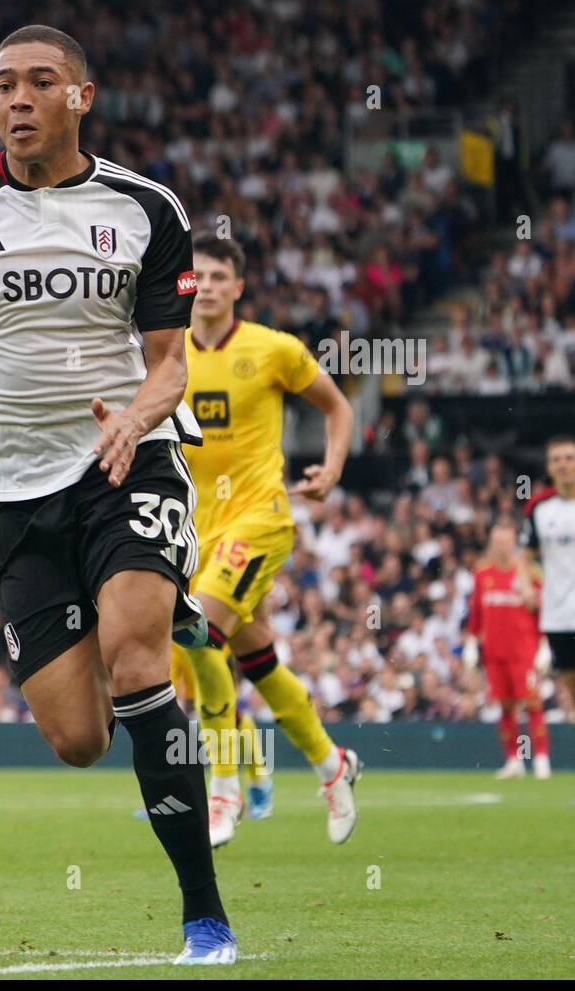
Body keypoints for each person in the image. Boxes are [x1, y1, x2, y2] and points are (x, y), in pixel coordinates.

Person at [0, 24, 235, 965]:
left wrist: (135, 417)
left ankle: (205, 914)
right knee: (79, 737)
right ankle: (158, 627)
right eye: (3, 85)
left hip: (127, 464)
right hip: (11, 492)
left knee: (136, 659)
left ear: (82, 97)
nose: (18, 100)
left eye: (41, 83)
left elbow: (170, 364)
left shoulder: (145, 208)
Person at [175, 234, 362, 847]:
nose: (206, 285)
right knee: (257, 661)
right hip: (194, 533)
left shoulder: (273, 348)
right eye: (197, 275)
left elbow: (337, 407)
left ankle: (223, 789)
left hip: (261, 517)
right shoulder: (166, 350)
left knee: (198, 629)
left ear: (238, 286)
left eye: (219, 276)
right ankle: (331, 764)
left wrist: (331, 468)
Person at [463, 519, 548, 779]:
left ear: (514, 542)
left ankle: (541, 758)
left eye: (506, 541)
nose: (501, 546)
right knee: (505, 706)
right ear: (492, 542)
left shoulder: (528, 573)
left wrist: (544, 644)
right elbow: (476, 613)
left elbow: (541, 612)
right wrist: (471, 642)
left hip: (523, 652)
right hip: (495, 653)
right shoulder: (482, 574)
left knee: (532, 703)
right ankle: (514, 760)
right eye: (497, 541)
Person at [522, 434, 575, 752]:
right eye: (557, 459)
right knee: (569, 683)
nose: (564, 465)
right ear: (549, 467)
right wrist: (526, 584)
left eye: (569, 458)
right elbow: (525, 556)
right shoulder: (539, 507)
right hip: (557, 614)